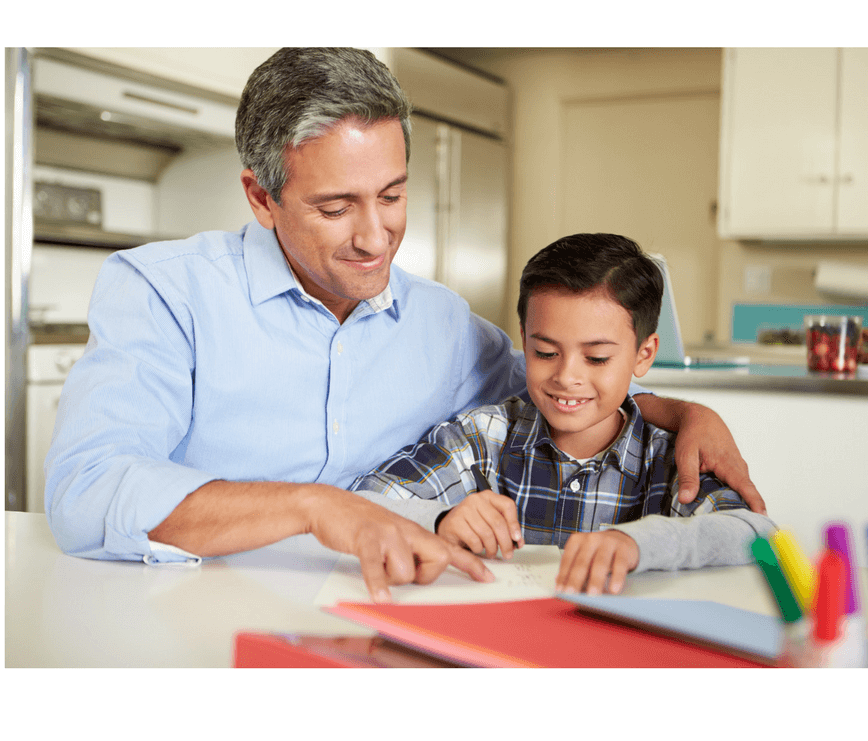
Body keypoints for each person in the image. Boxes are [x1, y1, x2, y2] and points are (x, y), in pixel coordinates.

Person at [44, 47, 763, 604]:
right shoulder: (164, 291)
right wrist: (314, 508)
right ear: (261, 198)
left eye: (391, 195)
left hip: (383, 613)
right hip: (190, 614)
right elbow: (87, 491)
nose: (375, 236)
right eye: (336, 207)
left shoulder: (443, 325)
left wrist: (685, 413)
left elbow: (559, 391)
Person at [353, 233, 777, 594]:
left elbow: (757, 533)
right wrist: (440, 518)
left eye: (596, 358)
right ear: (524, 339)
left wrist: (642, 543)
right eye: (545, 352)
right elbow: (361, 501)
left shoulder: (666, 459)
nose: (566, 377)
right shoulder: (485, 438)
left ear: (643, 355)